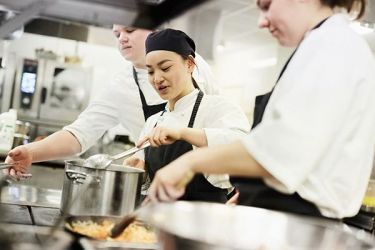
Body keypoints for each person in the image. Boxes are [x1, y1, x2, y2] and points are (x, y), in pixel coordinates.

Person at [146, 0, 375, 219]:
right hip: (285, 214)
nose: (261, 22)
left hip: (300, 222)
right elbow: (303, 152)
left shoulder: (332, 46)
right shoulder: (324, 45)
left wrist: (189, 162)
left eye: (267, 6)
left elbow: (281, 152)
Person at [4, 25, 218, 178]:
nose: (122, 38)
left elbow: (218, 122)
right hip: (158, 187)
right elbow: (79, 134)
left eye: (129, 31)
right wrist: (31, 152)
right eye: (117, 34)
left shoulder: (196, 65)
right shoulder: (120, 86)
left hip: (207, 179)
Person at [126, 28, 250, 203]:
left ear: (190, 64)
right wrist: (140, 170)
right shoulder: (153, 122)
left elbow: (243, 145)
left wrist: (183, 133)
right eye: (151, 71)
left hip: (205, 219)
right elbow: (152, 180)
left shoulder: (217, 107)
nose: (157, 78)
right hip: (158, 220)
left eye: (165, 67)